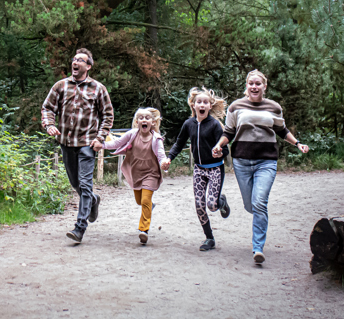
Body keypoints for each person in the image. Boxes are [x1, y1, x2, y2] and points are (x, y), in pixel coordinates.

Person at [211, 69, 309, 263]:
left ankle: (258, 248)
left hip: (267, 161)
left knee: (259, 203)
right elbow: (229, 132)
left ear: (265, 86)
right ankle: (246, 214)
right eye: (251, 83)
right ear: (246, 86)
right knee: (250, 205)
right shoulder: (235, 107)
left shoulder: (274, 107)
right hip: (242, 161)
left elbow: (282, 130)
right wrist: (218, 145)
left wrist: (298, 143)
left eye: (258, 83)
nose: (254, 87)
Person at [42, 48, 114, 243]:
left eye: (80, 60)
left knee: (84, 183)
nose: (75, 62)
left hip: (87, 143)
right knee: (75, 183)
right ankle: (92, 199)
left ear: (88, 66)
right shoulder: (61, 86)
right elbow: (48, 107)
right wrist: (49, 124)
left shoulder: (98, 88)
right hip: (66, 142)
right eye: (74, 59)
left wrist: (100, 138)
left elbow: (107, 114)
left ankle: (79, 227)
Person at [162, 87, 231, 251]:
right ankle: (209, 238)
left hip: (215, 169)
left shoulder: (215, 125)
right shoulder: (188, 124)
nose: (202, 104)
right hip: (199, 170)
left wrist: (220, 151)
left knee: (211, 205)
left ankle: (221, 202)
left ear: (210, 106)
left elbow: (226, 150)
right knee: (199, 205)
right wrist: (169, 157)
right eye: (199, 102)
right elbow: (179, 143)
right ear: (193, 105)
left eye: (205, 102)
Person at [101, 108, 168, 244]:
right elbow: (116, 143)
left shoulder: (156, 139)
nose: (144, 120)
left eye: (147, 118)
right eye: (141, 118)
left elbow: (161, 155)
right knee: (140, 201)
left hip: (151, 173)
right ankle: (150, 205)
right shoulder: (132, 134)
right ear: (137, 122)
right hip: (136, 173)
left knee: (144, 201)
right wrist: (101, 145)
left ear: (153, 123)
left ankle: (144, 230)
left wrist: (164, 163)